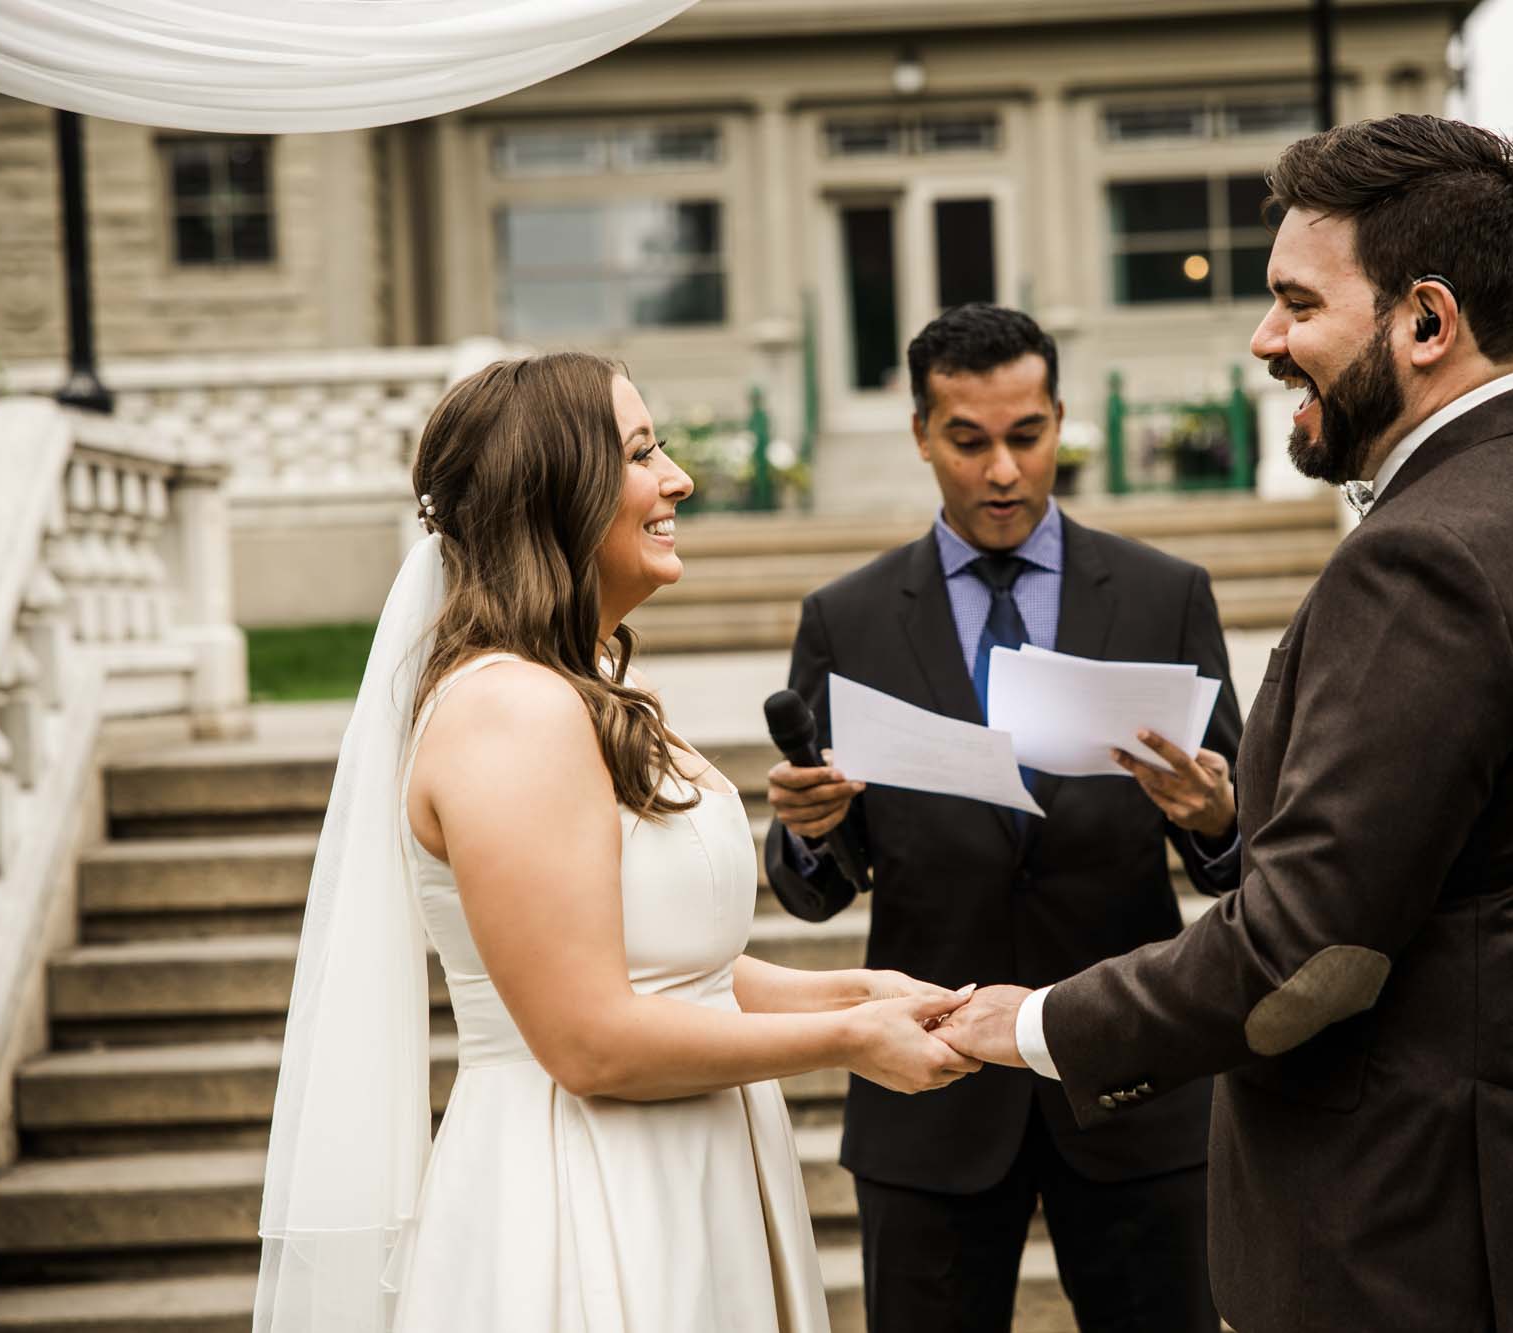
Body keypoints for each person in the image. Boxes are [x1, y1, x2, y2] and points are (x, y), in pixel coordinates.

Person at [937, 115, 1513, 1332]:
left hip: (1393, 1245)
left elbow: (1301, 957)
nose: (1264, 340)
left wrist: (1035, 1020)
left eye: (1295, 304)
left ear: (1424, 321)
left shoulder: (1422, 558)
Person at [253, 352, 979, 1333]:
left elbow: (670, 965)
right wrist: (847, 1040)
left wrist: (859, 988)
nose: (677, 479)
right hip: (588, 1188)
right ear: (555, 492)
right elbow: (588, 1039)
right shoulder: (509, 711)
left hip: (682, 1160)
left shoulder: (576, 688)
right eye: (641, 453)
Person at [764, 304, 1242, 1333]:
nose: (1001, 473)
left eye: (1025, 437)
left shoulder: (1166, 595)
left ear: (1058, 421)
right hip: (926, 1094)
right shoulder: (842, 619)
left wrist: (1214, 815)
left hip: (1132, 1087)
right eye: (967, 441)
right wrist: (808, 827)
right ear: (919, 434)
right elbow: (815, 888)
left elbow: (1239, 861)